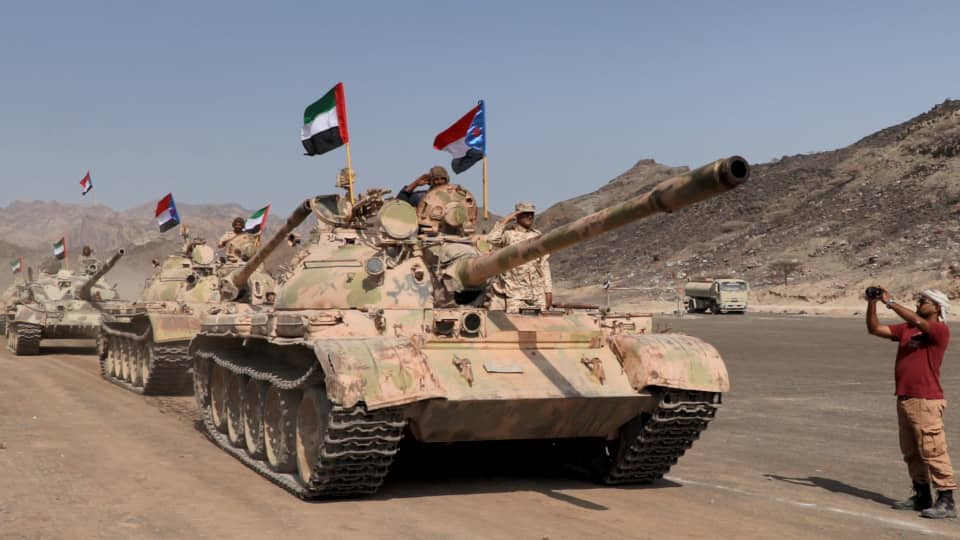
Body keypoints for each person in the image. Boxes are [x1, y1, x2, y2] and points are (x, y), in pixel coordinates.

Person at [867, 286, 956, 519]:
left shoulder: (939, 330)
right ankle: (921, 495)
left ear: (937, 307)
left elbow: (918, 321)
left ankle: (946, 499)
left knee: (933, 449)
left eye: (923, 301)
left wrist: (890, 302)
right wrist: (872, 303)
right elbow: (875, 329)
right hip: (905, 397)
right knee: (911, 451)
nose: (918, 303)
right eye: (918, 300)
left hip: (926, 399)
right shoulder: (908, 329)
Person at [487, 202, 552, 313]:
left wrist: (548, 291)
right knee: (515, 322)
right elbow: (491, 239)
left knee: (541, 322)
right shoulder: (508, 234)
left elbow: (544, 264)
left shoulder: (537, 235)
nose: (530, 216)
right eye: (526, 213)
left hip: (537, 294)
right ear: (517, 215)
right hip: (516, 293)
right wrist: (506, 220)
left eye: (532, 214)